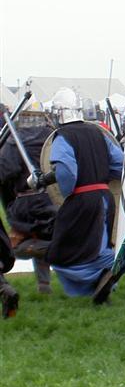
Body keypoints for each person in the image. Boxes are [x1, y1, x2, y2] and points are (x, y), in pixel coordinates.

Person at [44, 87, 123, 301]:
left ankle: (118, 261)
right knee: (98, 243)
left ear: (59, 113)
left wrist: (67, 192)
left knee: (64, 250)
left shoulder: (63, 137)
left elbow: (67, 171)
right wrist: (101, 173)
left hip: (83, 200)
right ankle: (100, 284)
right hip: (105, 197)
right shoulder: (98, 132)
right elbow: (119, 164)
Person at [0, 104, 56, 293]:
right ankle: (44, 284)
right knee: (42, 235)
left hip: (25, 204)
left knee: (18, 244)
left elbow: (5, 171)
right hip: (53, 199)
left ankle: (51, 251)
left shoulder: (14, 141)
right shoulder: (53, 137)